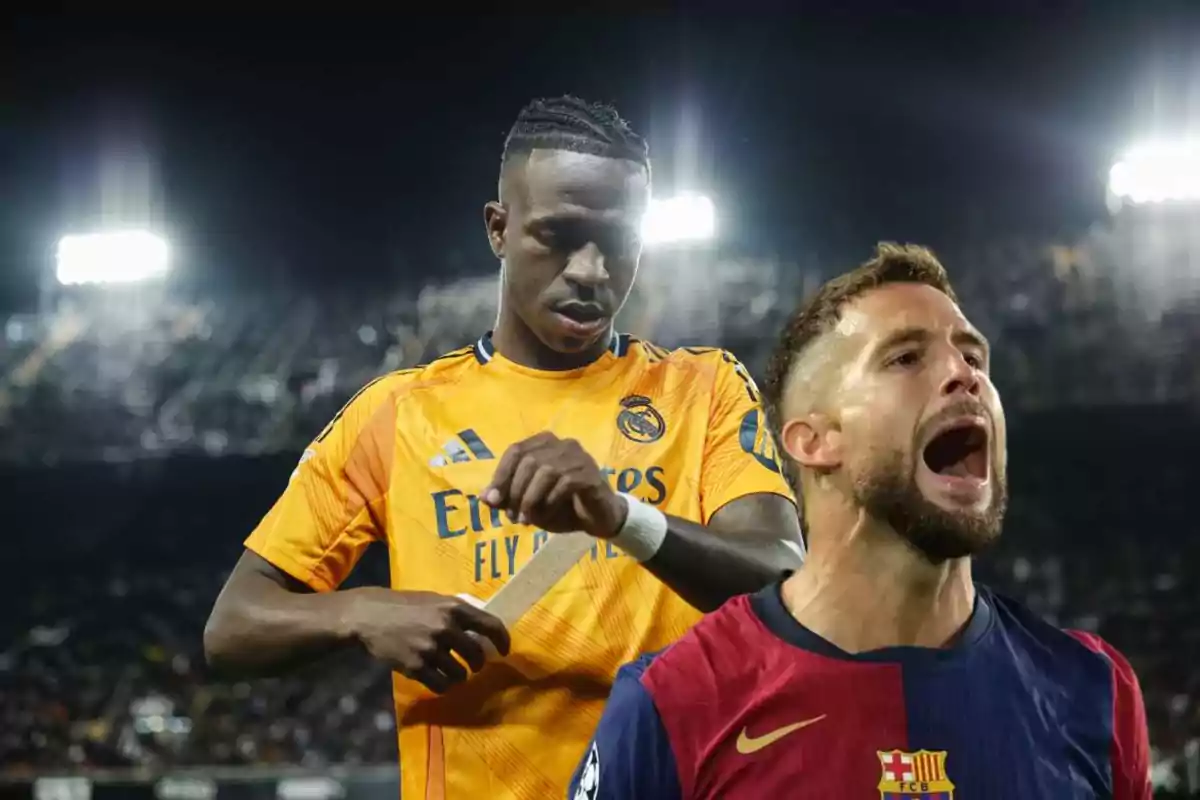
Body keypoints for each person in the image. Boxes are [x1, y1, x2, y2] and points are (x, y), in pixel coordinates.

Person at [203, 95, 804, 800]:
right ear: (499, 227)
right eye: (559, 235)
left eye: (618, 242)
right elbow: (232, 627)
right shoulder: (399, 414)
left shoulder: (702, 390)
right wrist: (359, 611)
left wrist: (619, 517)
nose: (590, 270)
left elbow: (782, 581)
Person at [568, 243, 1152, 800]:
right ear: (815, 441)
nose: (964, 373)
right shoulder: (673, 703)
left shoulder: (1094, 690)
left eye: (973, 355)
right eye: (904, 358)